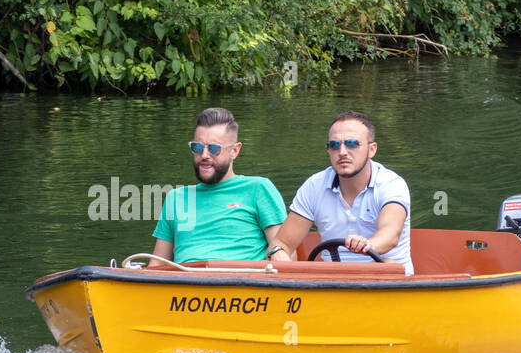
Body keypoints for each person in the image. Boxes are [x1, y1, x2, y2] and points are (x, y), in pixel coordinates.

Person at [271, 111, 414, 274]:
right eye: (334, 145)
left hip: (389, 284)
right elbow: (281, 243)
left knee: (388, 263)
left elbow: (390, 234)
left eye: (352, 144)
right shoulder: (314, 186)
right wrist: (278, 255)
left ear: (372, 149)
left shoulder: (391, 184)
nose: (342, 152)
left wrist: (367, 245)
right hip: (332, 285)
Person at [150, 107, 287, 265]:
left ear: (234, 151)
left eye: (214, 149)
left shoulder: (258, 189)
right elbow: (157, 265)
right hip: (183, 285)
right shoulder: (176, 198)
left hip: (242, 285)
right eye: (197, 147)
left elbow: (285, 256)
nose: (205, 155)